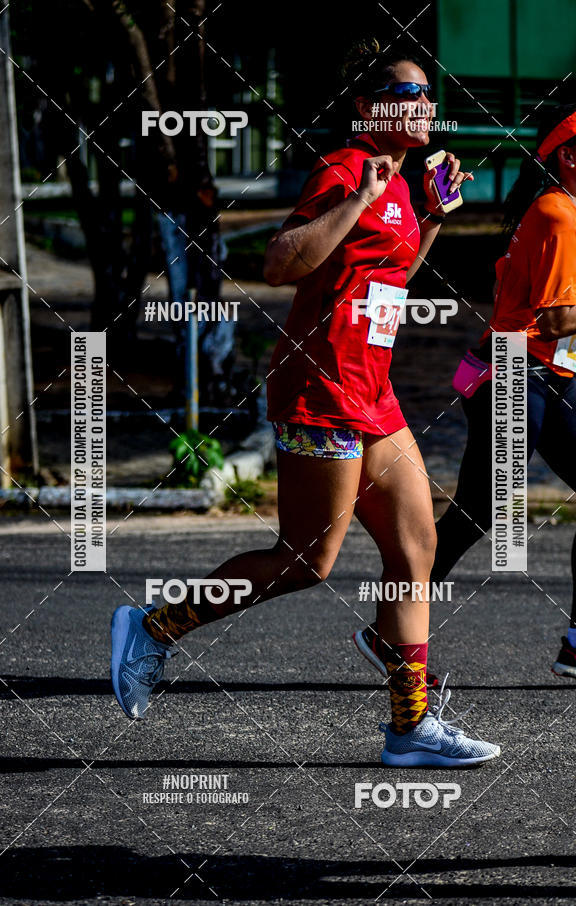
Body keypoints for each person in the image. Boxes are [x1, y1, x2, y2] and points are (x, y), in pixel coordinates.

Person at [110, 38, 500, 767]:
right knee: (305, 562)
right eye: (408, 95)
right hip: (319, 390)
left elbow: (387, 284)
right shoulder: (348, 169)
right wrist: (359, 196)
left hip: (371, 393)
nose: (424, 108)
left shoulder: (403, 185)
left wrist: (436, 215)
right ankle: (153, 628)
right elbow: (281, 260)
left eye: (428, 98)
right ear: (367, 108)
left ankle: (410, 728)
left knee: (416, 548)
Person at [356, 102, 576, 681]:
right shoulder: (558, 215)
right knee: (474, 515)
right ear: (567, 157)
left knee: (483, 512)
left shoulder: (563, 212)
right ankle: (388, 635)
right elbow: (562, 319)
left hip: (538, 377)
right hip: (521, 378)